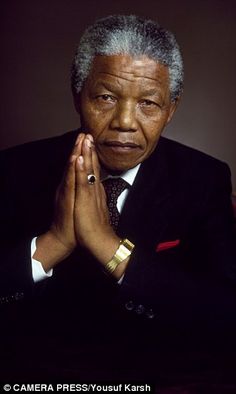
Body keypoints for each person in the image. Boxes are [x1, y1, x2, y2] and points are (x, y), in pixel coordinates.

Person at [0, 14, 236, 386]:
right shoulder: (13, 169)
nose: (125, 121)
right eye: (106, 97)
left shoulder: (203, 178)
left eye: (148, 104)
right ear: (78, 96)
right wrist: (53, 243)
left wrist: (110, 247)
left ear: (171, 109)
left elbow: (224, 311)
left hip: (159, 377)